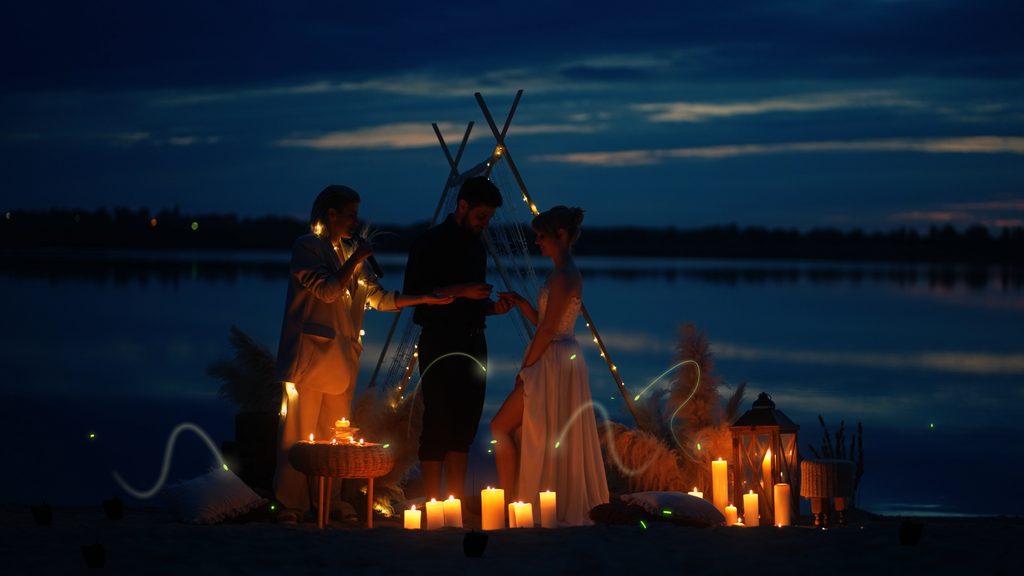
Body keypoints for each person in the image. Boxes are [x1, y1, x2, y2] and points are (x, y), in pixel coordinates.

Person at [273, 185, 453, 516]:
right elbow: (327, 290)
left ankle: (329, 502)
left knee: (335, 435)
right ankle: (289, 503)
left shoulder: (350, 253)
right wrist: (356, 258)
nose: (356, 222)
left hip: (342, 363)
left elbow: (380, 298)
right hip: (310, 360)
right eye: (351, 215)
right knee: (298, 435)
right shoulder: (307, 247)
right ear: (331, 214)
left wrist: (424, 298)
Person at [490, 205, 609, 526]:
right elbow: (546, 323)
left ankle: (508, 506)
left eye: (541, 236)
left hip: (553, 360)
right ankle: (515, 500)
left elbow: (546, 331)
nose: (536, 242)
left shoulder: (567, 276)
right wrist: (522, 302)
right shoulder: (556, 273)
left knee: (499, 427)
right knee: (517, 429)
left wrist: (524, 370)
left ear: (560, 235)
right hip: (555, 354)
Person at [403, 177, 514, 506]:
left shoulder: (477, 245)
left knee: (465, 426)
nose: (486, 223)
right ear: (462, 206)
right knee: (437, 421)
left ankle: (453, 505)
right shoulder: (428, 243)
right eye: (482, 215)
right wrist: (460, 290)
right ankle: (434, 504)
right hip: (439, 342)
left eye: (490, 218)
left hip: (475, 344)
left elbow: (473, 302)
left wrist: (492, 308)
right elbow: (413, 297)